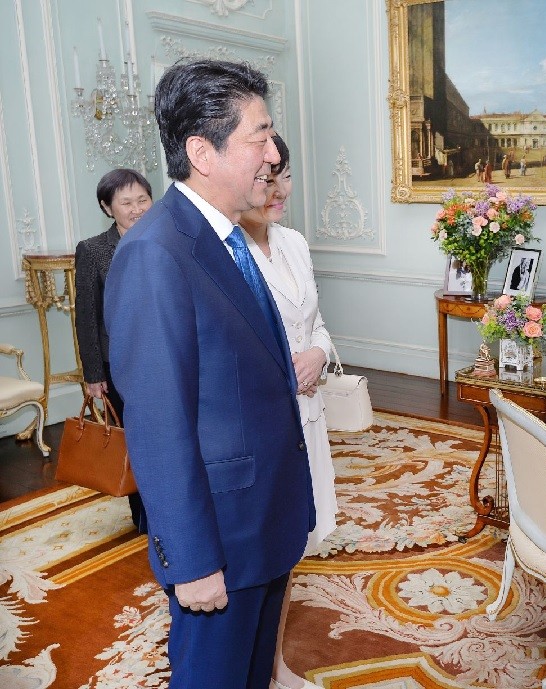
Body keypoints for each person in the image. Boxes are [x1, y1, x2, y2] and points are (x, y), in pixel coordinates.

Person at [104, 59, 316, 689]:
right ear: (202, 150)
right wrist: (192, 560)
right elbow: (158, 424)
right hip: (218, 543)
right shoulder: (155, 255)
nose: (274, 153)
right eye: (259, 135)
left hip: (261, 523)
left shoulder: (225, 238)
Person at [238, 134, 337, 689]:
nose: (278, 189)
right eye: (266, 176)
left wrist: (318, 353)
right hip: (265, 428)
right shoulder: (230, 251)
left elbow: (315, 323)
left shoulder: (295, 242)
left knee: (292, 550)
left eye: (285, 175)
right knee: (263, 556)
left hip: (310, 418)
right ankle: (257, 670)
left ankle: (275, 666)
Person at [74, 168, 152, 533]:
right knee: (135, 442)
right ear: (108, 208)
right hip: (119, 364)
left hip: (163, 358)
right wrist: (93, 375)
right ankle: (145, 517)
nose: (137, 209)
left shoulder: (164, 240)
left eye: (143, 200)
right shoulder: (93, 250)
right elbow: (86, 316)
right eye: (126, 203)